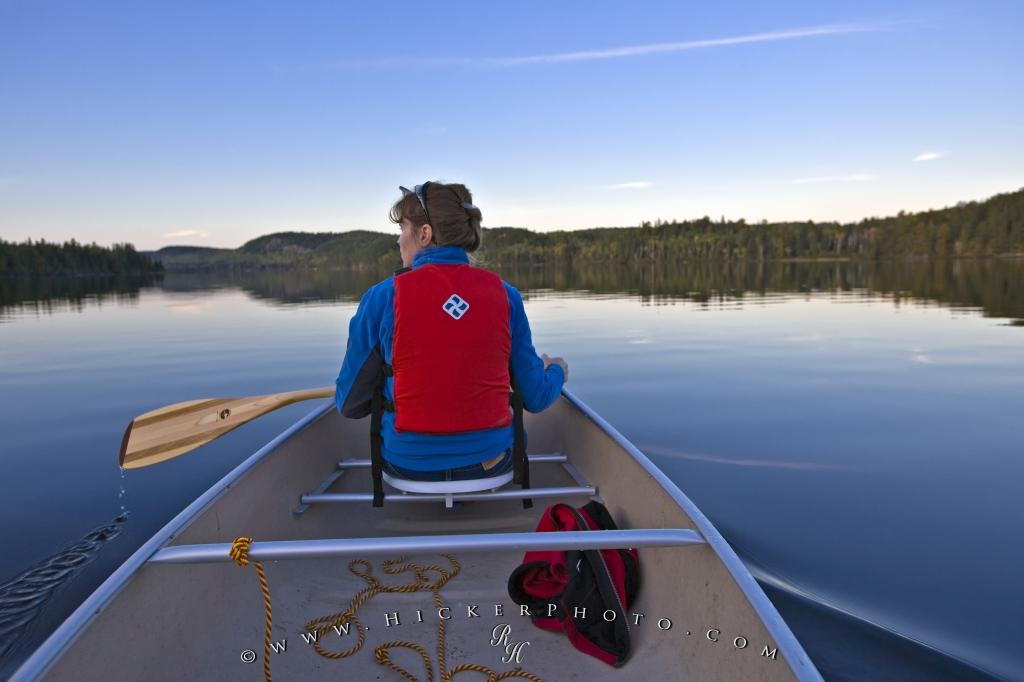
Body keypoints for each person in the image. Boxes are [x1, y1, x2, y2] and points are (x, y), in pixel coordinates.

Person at [334, 181, 568, 483]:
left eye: (402, 229)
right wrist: (557, 370)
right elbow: (536, 397)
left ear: (424, 234)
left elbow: (349, 404)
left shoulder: (381, 297)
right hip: (491, 465)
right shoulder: (507, 296)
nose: (398, 240)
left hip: (407, 467)